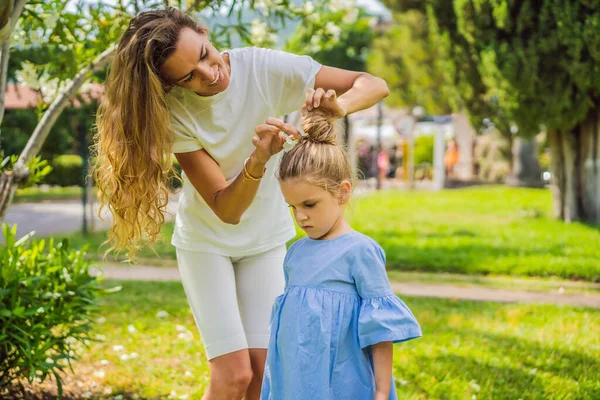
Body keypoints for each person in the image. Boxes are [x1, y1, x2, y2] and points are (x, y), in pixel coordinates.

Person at [93, 7, 390, 400]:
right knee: (233, 374)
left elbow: (373, 83)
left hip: (265, 240)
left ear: (204, 32)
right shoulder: (175, 113)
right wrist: (259, 158)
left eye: (203, 54)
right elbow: (227, 209)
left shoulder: (264, 68)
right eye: (188, 77)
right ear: (169, 85)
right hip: (207, 244)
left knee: (265, 371)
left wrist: (341, 107)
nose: (209, 74)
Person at [261, 109, 422, 400]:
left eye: (309, 204)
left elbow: (380, 329)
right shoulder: (295, 253)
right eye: (292, 207)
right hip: (298, 384)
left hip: (344, 384)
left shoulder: (359, 251)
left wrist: (382, 391)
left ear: (343, 192)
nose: (300, 217)